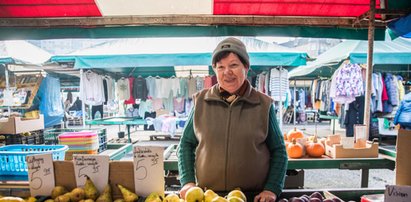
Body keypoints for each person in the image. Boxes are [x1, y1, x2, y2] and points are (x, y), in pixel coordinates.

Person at [178, 37, 288, 202]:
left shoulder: (263, 104)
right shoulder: (200, 102)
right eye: (220, 67)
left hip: (252, 197)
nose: (227, 72)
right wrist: (187, 182)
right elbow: (185, 145)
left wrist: (272, 189)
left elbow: (279, 150)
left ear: (246, 67)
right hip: (208, 196)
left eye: (233, 65)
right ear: (215, 70)